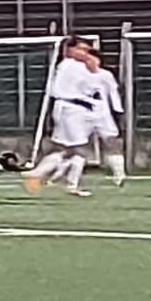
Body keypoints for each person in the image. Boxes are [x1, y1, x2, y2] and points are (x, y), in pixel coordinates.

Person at [20, 37, 100, 197]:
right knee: (80, 148)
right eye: (81, 49)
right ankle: (70, 183)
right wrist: (93, 65)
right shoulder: (72, 66)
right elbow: (93, 81)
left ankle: (39, 173)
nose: (85, 53)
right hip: (71, 109)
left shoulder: (68, 66)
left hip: (69, 108)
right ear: (69, 50)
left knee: (65, 149)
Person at [89, 50, 127, 186]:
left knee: (111, 142)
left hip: (102, 114)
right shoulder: (76, 74)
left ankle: (119, 174)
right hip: (78, 115)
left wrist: (118, 111)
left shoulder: (105, 75)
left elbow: (113, 93)